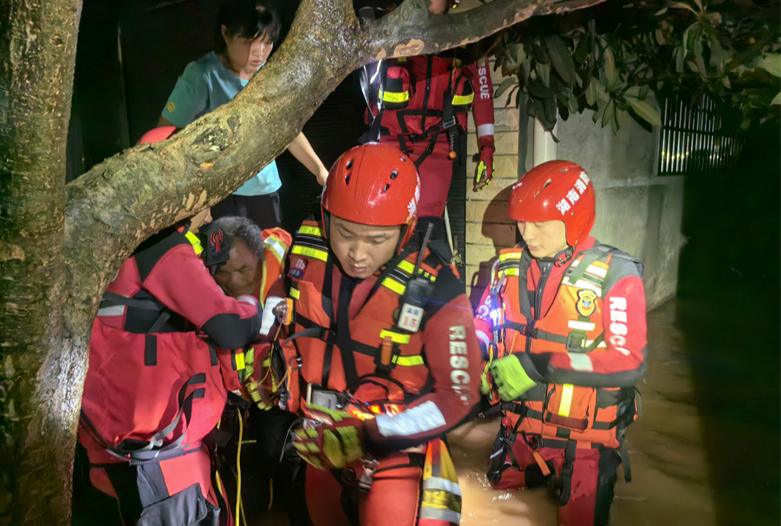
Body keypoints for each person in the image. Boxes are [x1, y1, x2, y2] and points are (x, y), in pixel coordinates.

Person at [273, 143, 481, 526]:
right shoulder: (303, 250)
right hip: (318, 444)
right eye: (346, 233)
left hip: (394, 452)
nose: (357, 254)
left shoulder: (436, 286)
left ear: (406, 231)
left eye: (376, 240)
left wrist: (369, 435)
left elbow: (459, 394)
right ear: (325, 216)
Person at [74, 130, 263, 526]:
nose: (208, 216)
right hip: (163, 465)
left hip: (113, 451)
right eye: (204, 199)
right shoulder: (161, 246)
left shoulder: (109, 237)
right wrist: (252, 299)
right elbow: (231, 329)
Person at [474, 161, 647, 526]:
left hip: (584, 446)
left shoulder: (616, 274)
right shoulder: (504, 268)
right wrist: (474, 360)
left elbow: (630, 361)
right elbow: (483, 324)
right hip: (517, 435)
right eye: (521, 222)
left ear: (575, 219)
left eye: (539, 224)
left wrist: (539, 365)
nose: (527, 233)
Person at [158, 0, 329, 227]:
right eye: (248, 42)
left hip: (266, 192)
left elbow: (287, 131)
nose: (258, 53)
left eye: (267, 43)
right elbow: (163, 133)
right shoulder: (202, 76)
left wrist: (320, 171)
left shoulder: (268, 76)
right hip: (220, 195)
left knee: (269, 257)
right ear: (226, 34)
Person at [358, 0, 495, 246]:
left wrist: (487, 146)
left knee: (427, 231)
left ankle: (423, 281)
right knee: (384, 224)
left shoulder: (465, 31)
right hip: (389, 141)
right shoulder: (388, 25)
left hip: (438, 144)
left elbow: (483, 91)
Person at [208, 216, 310, 526]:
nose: (234, 282)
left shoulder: (285, 271)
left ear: (261, 260)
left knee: (277, 452)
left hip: (281, 398)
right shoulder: (202, 287)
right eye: (222, 273)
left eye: (242, 271)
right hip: (232, 397)